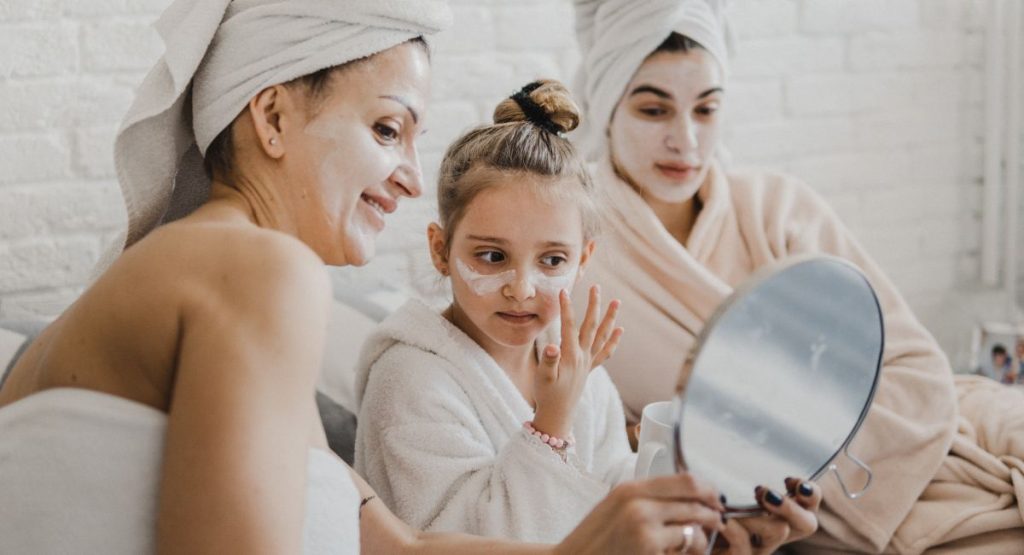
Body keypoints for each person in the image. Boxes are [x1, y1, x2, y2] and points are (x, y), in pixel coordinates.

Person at [0, 1, 787, 554]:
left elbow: (402, 547)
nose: (413, 178)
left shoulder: (208, 283)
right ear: (271, 118)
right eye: (387, 129)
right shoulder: (259, 272)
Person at [571, 0, 1024, 552]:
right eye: (653, 110)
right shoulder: (571, 248)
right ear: (606, 108)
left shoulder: (777, 207)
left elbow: (916, 369)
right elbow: (598, 442)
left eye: (707, 110)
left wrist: (775, 440)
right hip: (763, 508)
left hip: (919, 452)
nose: (686, 141)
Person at [355, 79, 819, 549]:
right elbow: (469, 540)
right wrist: (551, 424)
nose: (521, 288)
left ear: (582, 260)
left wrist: (711, 516)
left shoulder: (571, 364)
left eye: (552, 260)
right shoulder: (409, 380)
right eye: (492, 257)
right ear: (440, 249)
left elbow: (610, 489)